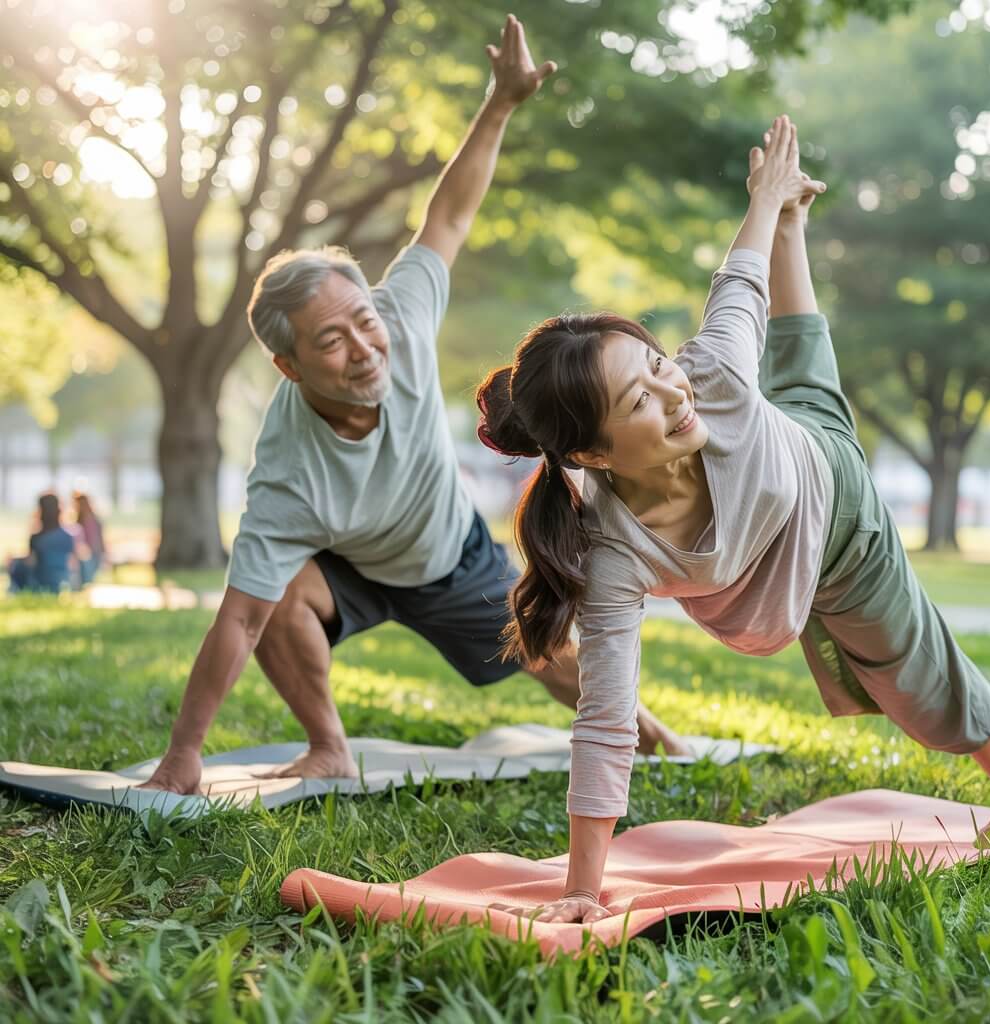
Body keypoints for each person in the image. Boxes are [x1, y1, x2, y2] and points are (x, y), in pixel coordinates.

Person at [476, 116, 990, 924]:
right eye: (640, 400)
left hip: (835, 516)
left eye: (659, 364)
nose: (673, 392)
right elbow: (604, 718)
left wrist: (768, 202)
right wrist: (583, 890)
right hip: (784, 462)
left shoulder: (713, 376)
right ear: (590, 456)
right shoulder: (612, 549)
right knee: (806, 368)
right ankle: (799, 228)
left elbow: (740, 283)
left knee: (913, 680)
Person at [141, 15, 686, 795]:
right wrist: (183, 755)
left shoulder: (401, 315)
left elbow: (450, 215)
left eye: (364, 322)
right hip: (353, 568)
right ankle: (328, 745)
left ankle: (655, 734)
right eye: (332, 341)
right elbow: (239, 619)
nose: (365, 348)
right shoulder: (287, 472)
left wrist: (499, 103)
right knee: (281, 593)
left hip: (448, 556)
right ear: (287, 365)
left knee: (552, 664)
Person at [8, 492, 79, 593]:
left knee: (16, 563)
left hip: (40, 583)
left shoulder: (37, 538)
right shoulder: (68, 536)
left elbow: (30, 562)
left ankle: (13, 592)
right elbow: (73, 563)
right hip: (61, 581)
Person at [73, 491, 106, 585]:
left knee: (86, 580)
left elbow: (93, 540)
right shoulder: (88, 517)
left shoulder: (88, 519)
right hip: (90, 553)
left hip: (90, 554)